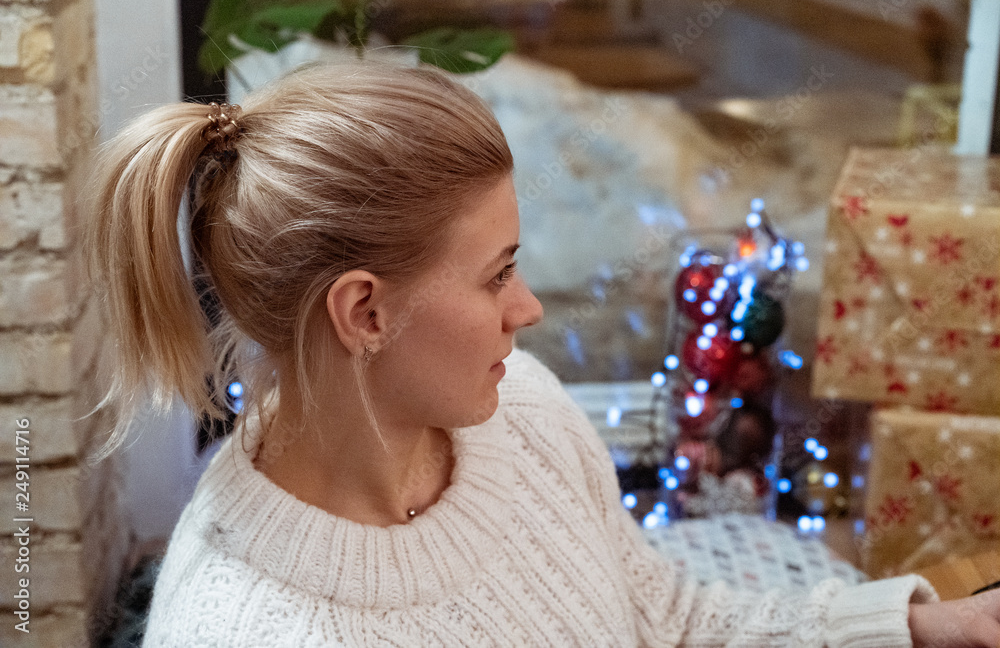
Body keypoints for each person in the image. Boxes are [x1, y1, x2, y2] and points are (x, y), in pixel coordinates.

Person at [85, 61, 1000, 647]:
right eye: (497, 276)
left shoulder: (521, 408)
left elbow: (668, 620)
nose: (526, 310)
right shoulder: (246, 626)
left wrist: (922, 627)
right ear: (364, 311)